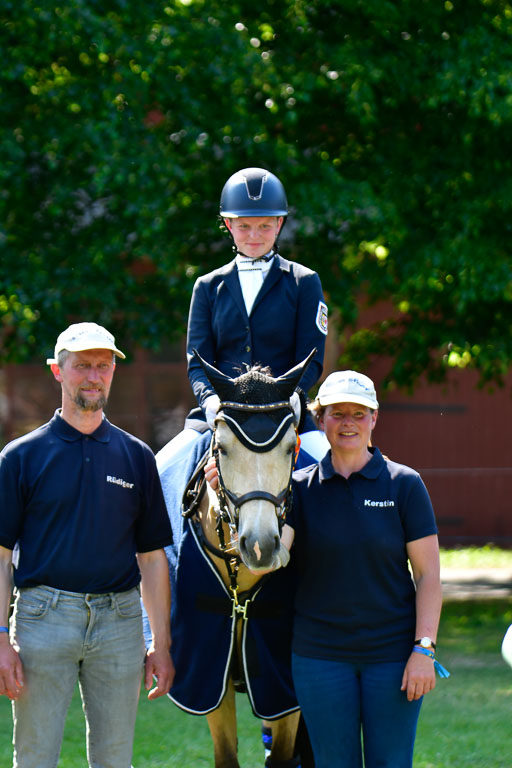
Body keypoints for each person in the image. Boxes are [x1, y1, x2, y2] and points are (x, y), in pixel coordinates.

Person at [0, 322, 175, 768]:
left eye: (103, 365)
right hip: (43, 620)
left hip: (119, 625)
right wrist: (1, 637)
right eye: (82, 366)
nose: (93, 376)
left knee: (115, 761)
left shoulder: (137, 456)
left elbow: (153, 559)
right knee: (35, 758)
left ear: (114, 370)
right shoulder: (21, 457)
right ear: (58, 371)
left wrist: (160, 643)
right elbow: (1, 556)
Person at [280, 370, 447, 768]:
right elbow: (267, 564)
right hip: (320, 658)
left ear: (375, 418)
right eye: (338, 413)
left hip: (392, 658)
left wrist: (424, 649)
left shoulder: (405, 484)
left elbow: (428, 576)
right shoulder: (298, 489)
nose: (348, 423)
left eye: (359, 413)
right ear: (321, 420)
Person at [159, 166, 329, 476]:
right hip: (222, 414)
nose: (254, 236)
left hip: (285, 413)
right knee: (157, 471)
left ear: (279, 224)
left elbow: (312, 359)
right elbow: (197, 362)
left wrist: (292, 396)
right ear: (228, 224)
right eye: (244, 226)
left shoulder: (304, 282)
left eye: (264, 226)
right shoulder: (207, 286)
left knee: (339, 476)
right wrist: (210, 401)